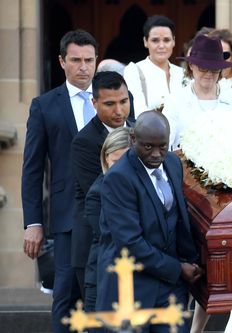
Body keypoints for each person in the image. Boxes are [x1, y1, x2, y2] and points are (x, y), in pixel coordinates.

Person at [96, 111, 202, 333]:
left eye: (162, 146)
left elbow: (179, 218)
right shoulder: (118, 178)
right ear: (133, 139)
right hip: (131, 289)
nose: (156, 154)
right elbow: (130, 242)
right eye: (148, 147)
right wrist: (177, 268)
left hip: (172, 289)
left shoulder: (173, 162)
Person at [21, 29, 98, 333]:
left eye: (89, 60)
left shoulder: (116, 98)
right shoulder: (45, 105)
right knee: (66, 293)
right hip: (66, 217)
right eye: (76, 60)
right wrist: (33, 222)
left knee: (105, 293)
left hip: (112, 213)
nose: (83, 67)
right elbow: (32, 170)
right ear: (62, 62)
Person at [70, 71, 133, 297]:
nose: (119, 110)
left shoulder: (138, 132)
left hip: (133, 247)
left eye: (124, 101)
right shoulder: (83, 142)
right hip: (95, 250)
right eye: (110, 104)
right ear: (94, 103)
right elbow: (106, 197)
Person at [84, 127, 131, 314]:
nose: (121, 169)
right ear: (105, 158)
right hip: (103, 281)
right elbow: (116, 236)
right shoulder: (96, 194)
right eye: (116, 162)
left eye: (127, 162)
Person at [164, 34, 232, 149]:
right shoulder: (176, 100)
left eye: (215, 69)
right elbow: (165, 142)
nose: (209, 74)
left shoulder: (231, 99)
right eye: (203, 68)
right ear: (191, 65)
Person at [124, 15, 184, 115]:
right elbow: (138, 112)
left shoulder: (182, 73)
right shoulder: (134, 71)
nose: (161, 46)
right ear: (145, 42)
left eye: (166, 40)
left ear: (173, 41)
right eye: (155, 40)